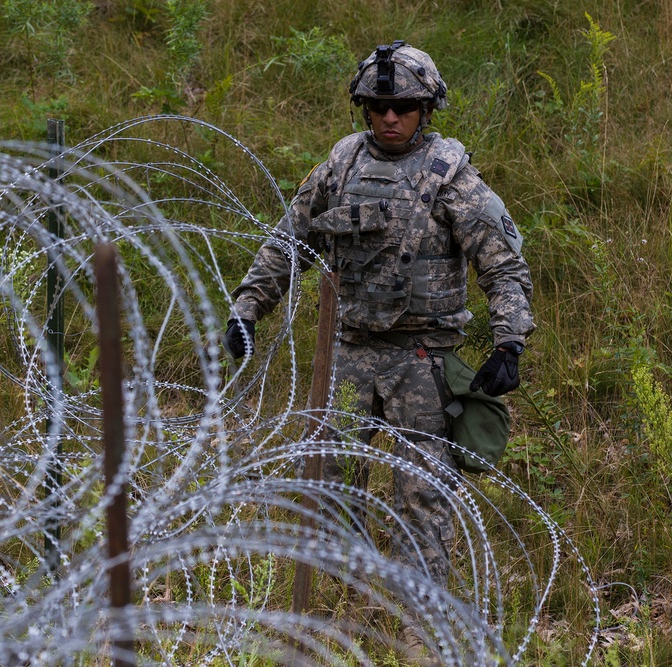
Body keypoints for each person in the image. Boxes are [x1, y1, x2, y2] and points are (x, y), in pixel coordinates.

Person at [223, 40, 534, 663]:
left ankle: (418, 625)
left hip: (421, 360)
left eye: (404, 108)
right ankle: (340, 606)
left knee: (421, 495)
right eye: (378, 107)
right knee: (332, 483)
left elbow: (502, 265)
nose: (390, 119)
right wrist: (247, 308)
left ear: (427, 109)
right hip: (348, 355)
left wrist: (509, 340)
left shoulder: (451, 175)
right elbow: (289, 238)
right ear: (364, 109)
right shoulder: (341, 163)